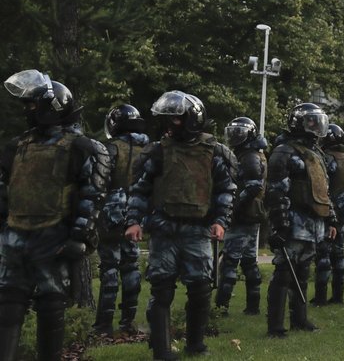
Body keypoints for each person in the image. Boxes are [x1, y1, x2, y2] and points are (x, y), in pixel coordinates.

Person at [0, 70, 110, 361]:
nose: (27, 111)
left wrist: (79, 236)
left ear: (52, 106)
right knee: (8, 303)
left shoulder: (81, 148)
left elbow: (92, 195)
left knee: (50, 303)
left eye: (32, 105)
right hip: (15, 237)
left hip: (54, 238)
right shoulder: (17, 147)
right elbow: (4, 191)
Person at [125, 90, 237, 359]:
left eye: (176, 119)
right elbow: (140, 190)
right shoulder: (158, 151)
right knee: (161, 289)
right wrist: (133, 221)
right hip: (164, 230)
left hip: (198, 230)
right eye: (168, 120)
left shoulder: (214, 152)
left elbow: (225, 189)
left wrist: (221, 221)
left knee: (200, 289)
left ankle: (195, 344)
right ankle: (162, 349)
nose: (171, 124)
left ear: (191, 118)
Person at [264, 103, 338, 337]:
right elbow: (276, 192)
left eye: (317, 122)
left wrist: (332, 219)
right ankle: (275, 325)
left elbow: (324, 189)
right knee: (284, 273)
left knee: (303, 273)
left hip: (313, 222)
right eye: (311, 122)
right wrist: (280, 225)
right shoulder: (284, 152)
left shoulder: (316, 154)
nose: (315, 127)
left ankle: (300, 319)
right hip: (292, 221)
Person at [93, 104, 149, 336]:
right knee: (131, 266)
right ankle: (128, 321)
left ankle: (104, 325)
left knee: (109, 267)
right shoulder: (148, 149)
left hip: (111, 213)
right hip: (137, 213)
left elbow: (98, 183)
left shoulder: (109, 149)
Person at [215, 117, 267, 316]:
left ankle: (221, 307)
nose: (235, 136)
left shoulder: (249, 156)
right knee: (248, 261)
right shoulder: (250, 153)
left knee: (230, 261)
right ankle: (252, 306)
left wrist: (233, 207)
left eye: (239, 133)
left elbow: (254, 186)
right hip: (250, 214)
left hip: (244, 215)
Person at [311, 123, 344, 306]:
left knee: (323, 255)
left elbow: (323, 185)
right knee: (339, 255)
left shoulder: (327, 158)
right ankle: (338, 296)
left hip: (329, 211)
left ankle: (321, 297)